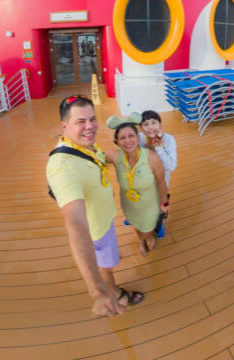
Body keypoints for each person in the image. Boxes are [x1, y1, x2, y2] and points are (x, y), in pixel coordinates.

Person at [46, 96, 143, 316]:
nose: (89, 126)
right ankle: (114, 291)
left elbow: (103, 156)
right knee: (105, 266)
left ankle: (109, 285)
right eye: (81, 122)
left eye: (92, 119)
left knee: (106, 261)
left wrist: (136, 155)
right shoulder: (62, 167)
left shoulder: (83, 146)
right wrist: (96, 290)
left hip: (104, 219)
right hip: (96, 231)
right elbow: (75, 222)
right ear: (65, 126)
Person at [109, 115, 169, 257]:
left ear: (138, 137)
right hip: (129, 205)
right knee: (136, 225)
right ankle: (141, 241)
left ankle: (149, 236)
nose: (128, 141)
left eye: (131, 136)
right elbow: (93, 156)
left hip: (150, 205)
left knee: (148, 229)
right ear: (116, 142)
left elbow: (161, 182)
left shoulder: (151, 158)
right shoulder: (115, 156)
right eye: (122, 138)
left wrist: (164, 203)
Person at [138, 110, 178, 189]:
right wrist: (149, 145)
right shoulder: (138, 138)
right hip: (141, 182)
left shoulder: (168, 139)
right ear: (141, 128)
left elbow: (171, 167)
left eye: (154, 123)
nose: (150, 127)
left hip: (160, 184)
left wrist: (159, 147)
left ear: (160, 125)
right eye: (145, 124)